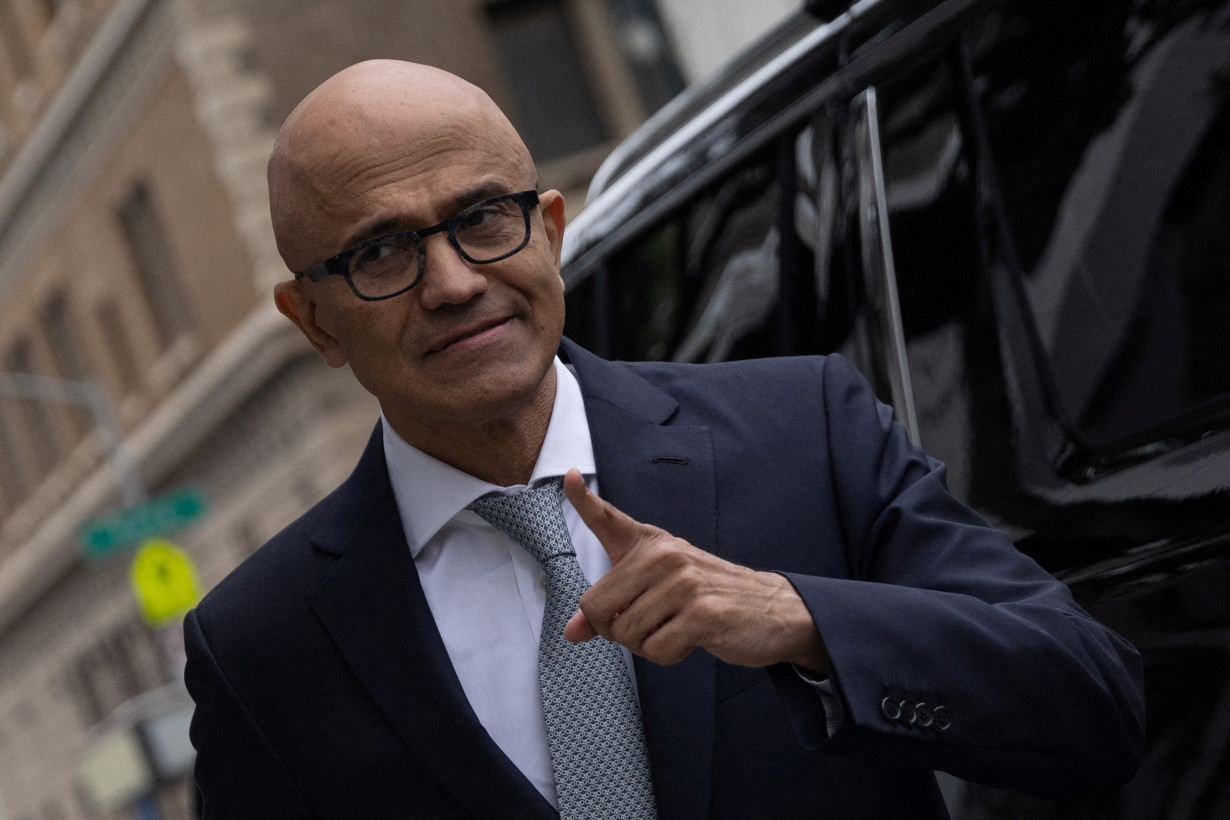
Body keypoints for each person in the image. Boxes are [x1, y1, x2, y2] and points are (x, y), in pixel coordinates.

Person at [183, 60, 1144, 819]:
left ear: (548, 230)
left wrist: (804, 622)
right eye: (381, 252)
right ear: (313, 321)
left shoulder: (802, 431)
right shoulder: (261, 643)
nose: (453, 282)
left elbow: (1091, 702)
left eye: (481, 219)